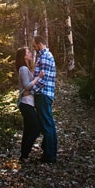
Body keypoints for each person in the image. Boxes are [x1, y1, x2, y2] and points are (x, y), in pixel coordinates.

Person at [31, 35, 57, 163]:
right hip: (45, 94)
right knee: (49, 124)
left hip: (43, 94)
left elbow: (43, 79)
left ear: (39, 44)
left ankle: (49, 156)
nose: (33, 48)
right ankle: (50, 153)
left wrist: (31, 91)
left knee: (47, 125)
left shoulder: (46, 56)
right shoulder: (44, 56)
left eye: (34, 45)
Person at [15, 46, 43, 163]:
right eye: (28, 52)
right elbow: (27, 86)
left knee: (27, 129)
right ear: (24, 56)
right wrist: (38, 77)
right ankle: (25, 154)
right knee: (36, 129)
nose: (31, 53)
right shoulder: (23, 69)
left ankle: (23, 156)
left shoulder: (26, 68)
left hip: (28, 103)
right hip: (25, 104)